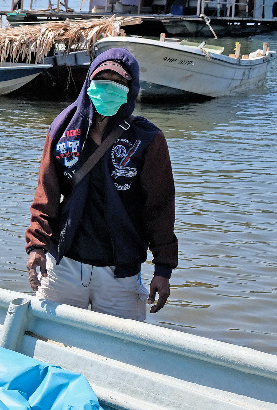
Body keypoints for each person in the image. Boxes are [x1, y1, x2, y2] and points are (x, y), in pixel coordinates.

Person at [25, 47, 177, 321]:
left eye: (118, 82)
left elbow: (160, 208)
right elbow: (46, 193)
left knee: (122, 354)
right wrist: (37, 245)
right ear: (88, 83)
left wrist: (163, 268)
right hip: (64, 267)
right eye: (101, 80)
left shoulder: (147, 139)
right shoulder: (62, 128)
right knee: (51, 345)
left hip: (120, 274)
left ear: (131, 89)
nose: (108, 88)